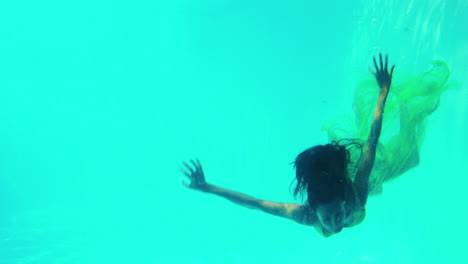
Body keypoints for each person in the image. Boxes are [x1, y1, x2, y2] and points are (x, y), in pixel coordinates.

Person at [180, 54, 448, 237]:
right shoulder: (307, 214)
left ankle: (409, 114)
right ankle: (410, 117)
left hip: (363, 172)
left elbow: (371, 143)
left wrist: (383, 92)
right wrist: (207, 188)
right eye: (331, 217)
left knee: (409, 159)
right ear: (314, 211)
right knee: (408, 159)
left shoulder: (355, 195)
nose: (338, 221)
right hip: (353, 177)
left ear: (344, 201)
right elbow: (256, 203)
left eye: (338, 213)